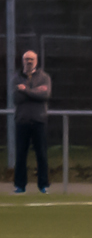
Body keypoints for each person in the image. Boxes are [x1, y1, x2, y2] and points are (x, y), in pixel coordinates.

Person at [12, 51, 51, 194]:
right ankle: (20, 186)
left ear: (36, 60)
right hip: (22, 121)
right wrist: (34, 91)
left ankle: (43, 185)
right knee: (21, 154)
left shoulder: (44, 77)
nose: (29, 61)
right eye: (26, 59)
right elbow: (17, 98)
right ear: (22, 61)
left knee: (41, 154)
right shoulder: (16, 78)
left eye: (31, 59)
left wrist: (26, 90)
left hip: (39, 120)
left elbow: (45, 95)